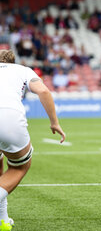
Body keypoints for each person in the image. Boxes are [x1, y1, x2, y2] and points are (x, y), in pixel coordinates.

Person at [0, 50, 66, 230]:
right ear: (14, 61)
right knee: (19, 166)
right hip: (8, 118)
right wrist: (54, 123)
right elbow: (43, 91)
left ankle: (2, 220)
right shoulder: (22, 70)